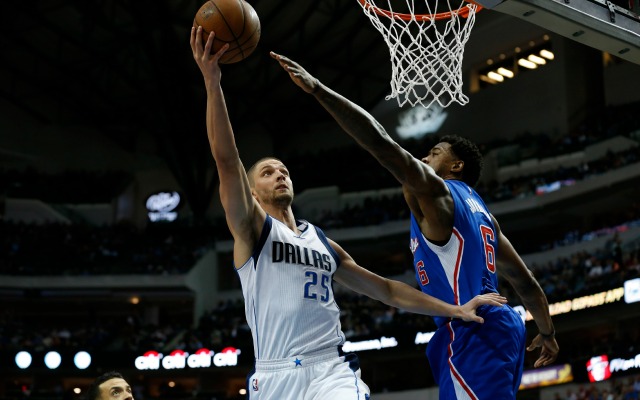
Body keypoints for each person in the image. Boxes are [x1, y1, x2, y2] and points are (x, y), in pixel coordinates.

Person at [190, 26, 509, 400]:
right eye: (267, 172)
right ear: (253, 194)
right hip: (274, 376)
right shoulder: (252, 230)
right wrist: (212, 81)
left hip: (331, 369)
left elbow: (386, 289)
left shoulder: (321, 242)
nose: (280, 174)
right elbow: (226, 161)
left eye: (284, 170)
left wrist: (454, 309)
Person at [272, 52, 560, 399]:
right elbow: (526, 283)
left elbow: (380, 143)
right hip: (503, 326)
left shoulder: (439, 195)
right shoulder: (485, 215)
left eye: (435, 153)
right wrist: (547, 332)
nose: (424, 157)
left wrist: (318, 90)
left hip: (472, 328)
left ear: (456, 166)